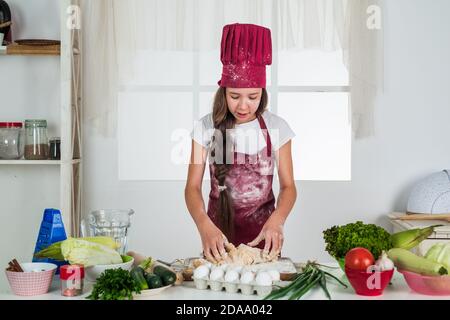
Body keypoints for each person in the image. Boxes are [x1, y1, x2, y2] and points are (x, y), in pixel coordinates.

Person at [185, 23, 297, 264]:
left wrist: (278, 220)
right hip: (218, 245)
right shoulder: (205, 128)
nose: (243, 105)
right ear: (223, 92)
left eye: (252, 97)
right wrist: (204, 225)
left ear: (262, 93)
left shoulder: (277, 128)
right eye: (234, 96)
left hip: (264, 245)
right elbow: (192, 187)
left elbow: (289, 187)